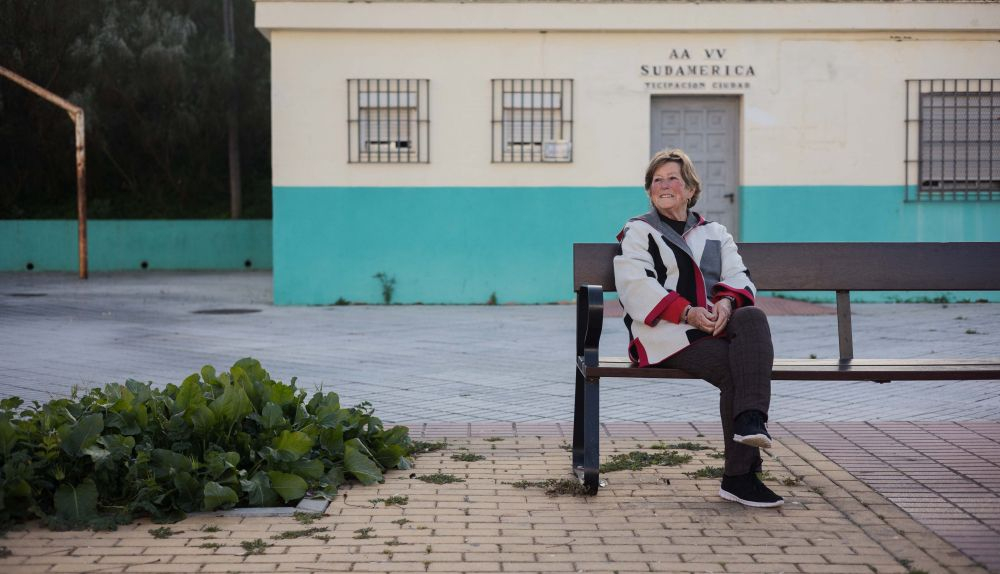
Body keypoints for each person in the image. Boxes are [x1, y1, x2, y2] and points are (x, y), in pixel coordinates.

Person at [613, 148, 783, 508]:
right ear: (649, 191)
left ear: (690, 189)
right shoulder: (639, 231)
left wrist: (726, 302)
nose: (664, 185)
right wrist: (687, 312)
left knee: (752, 317)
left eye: (672, 179)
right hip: (665, 334)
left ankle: (751, 421)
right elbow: (635, 286)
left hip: (712, 326)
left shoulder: (715, 232)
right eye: (656, 180)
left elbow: (739, 276)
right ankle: (740, 478)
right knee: (736, 369)